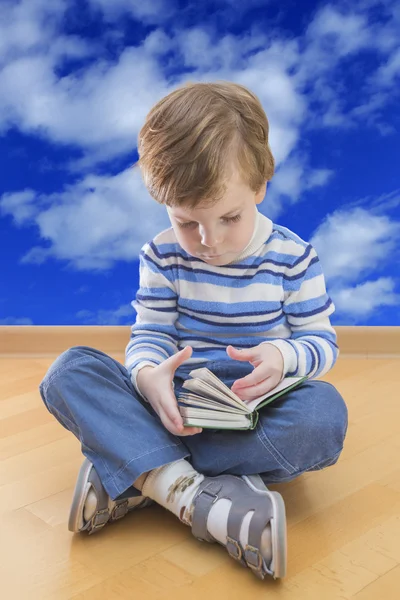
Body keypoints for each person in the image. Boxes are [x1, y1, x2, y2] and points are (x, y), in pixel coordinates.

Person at [39, 81, 348, 581]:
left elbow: (321, 342)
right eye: (187, 223)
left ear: (260, 186)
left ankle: (139, 472)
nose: (208, 241)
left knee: (324, 416)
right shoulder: (162, 256)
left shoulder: (294, 258)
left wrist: (282, 357)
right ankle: (195, 494)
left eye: (229, 218)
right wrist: (146, 376)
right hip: (175, 403)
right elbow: (151, 333)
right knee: (67, 372)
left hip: (251, 407)